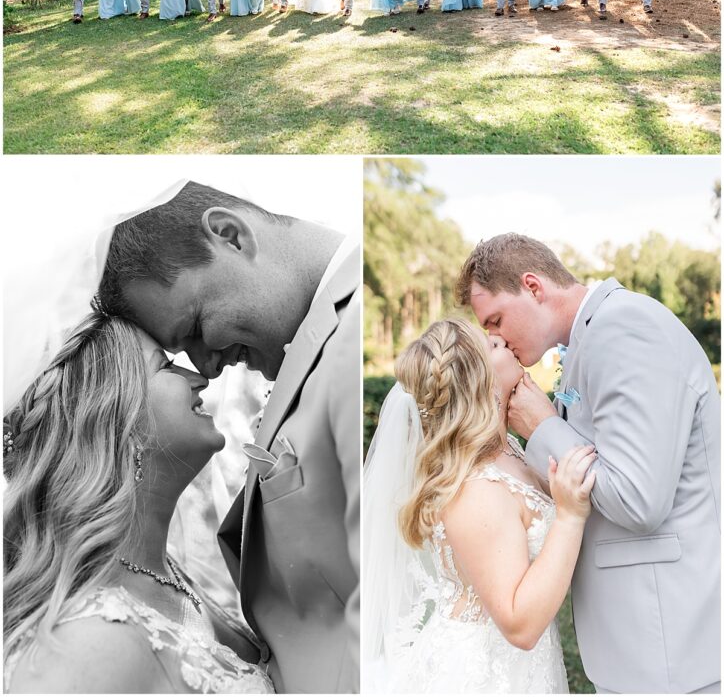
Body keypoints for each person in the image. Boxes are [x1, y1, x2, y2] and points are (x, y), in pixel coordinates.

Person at [95, 181, 361, 694]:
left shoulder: (350, 337)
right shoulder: (316, 345)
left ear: (230, 235)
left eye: (195, 327)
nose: (206, 368)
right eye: (179, 355)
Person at [457, 233, 721, 695]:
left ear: (533, 286)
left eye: (496, 320)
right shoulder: (591, 337)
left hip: (668, 643)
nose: (496, 339)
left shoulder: (625, 328)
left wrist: (541, 428)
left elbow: (639, 500)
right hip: (640, 641)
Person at [3, 311, 274, 694]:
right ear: (116, 419)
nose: (199, 378)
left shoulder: (167, 574)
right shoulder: (85, 643)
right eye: (166, 367)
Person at [363, 317, 595, 693]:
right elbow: (519, 625)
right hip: (483, 674)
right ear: (480, 383)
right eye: (490, 346)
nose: (500, 339)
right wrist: (569, 517)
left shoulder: (509, 450)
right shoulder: (476, 489)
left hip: (522, 668)